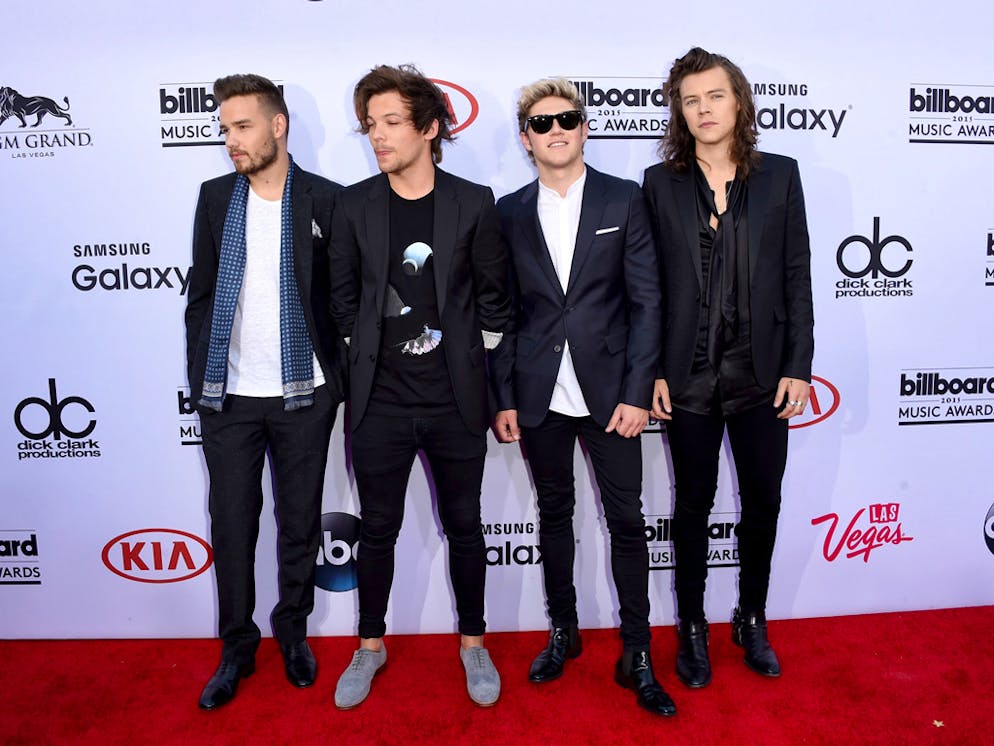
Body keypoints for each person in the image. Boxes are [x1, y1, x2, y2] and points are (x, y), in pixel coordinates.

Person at [490, 77, 675, 717]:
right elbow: (505, 312)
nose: (556, 130)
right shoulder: (509, 210)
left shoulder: (624, 200)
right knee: (554, 514)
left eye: (567, 118)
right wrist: (505, 395)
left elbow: (649, 303)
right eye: (541, 123)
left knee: (627, 523)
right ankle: (563, 631)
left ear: (585, 126)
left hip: (613, 398)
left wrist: (636, 392)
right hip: (540, 395)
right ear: (526, 139)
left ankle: (638, 652)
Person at [329, 64, 512, 709]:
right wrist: (363, 362)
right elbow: (343, 300)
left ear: (430, 128)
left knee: (465, 525)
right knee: (377, 528)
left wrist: (485, 379)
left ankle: (473, 643)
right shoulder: (352, 204)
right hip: (378, 403)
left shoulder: (474, 202)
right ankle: (369, 646)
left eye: (391, 124)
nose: (377, 136)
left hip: (455, 400)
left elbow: (495, 300)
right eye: (370, 125)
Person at [642, 48, 814, 688]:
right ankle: (692, 628)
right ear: (679, 112)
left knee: (762, 502)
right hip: (686, 374)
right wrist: (655, 368)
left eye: (714, 96)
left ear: (737, 101)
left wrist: (799, 364)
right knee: (691, 505)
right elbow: (652, 285)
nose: (703, 109)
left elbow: (797, 275)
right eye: (690, 100)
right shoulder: (660, 184)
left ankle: (751, 617)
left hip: (763, 373)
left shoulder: (781, 176)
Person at [185, 74, 345, 709]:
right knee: (231, 523)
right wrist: (202, 373)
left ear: (278, 126)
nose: (231, 140)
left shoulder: (326, 201)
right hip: (228, 396)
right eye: (225, 129)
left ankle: (293, 631)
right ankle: (236, 646)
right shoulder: (213, 197)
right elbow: (199, 296)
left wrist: (339, 385)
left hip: (304, 393)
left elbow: (341, 301)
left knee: (300, 520)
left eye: (242, 126)